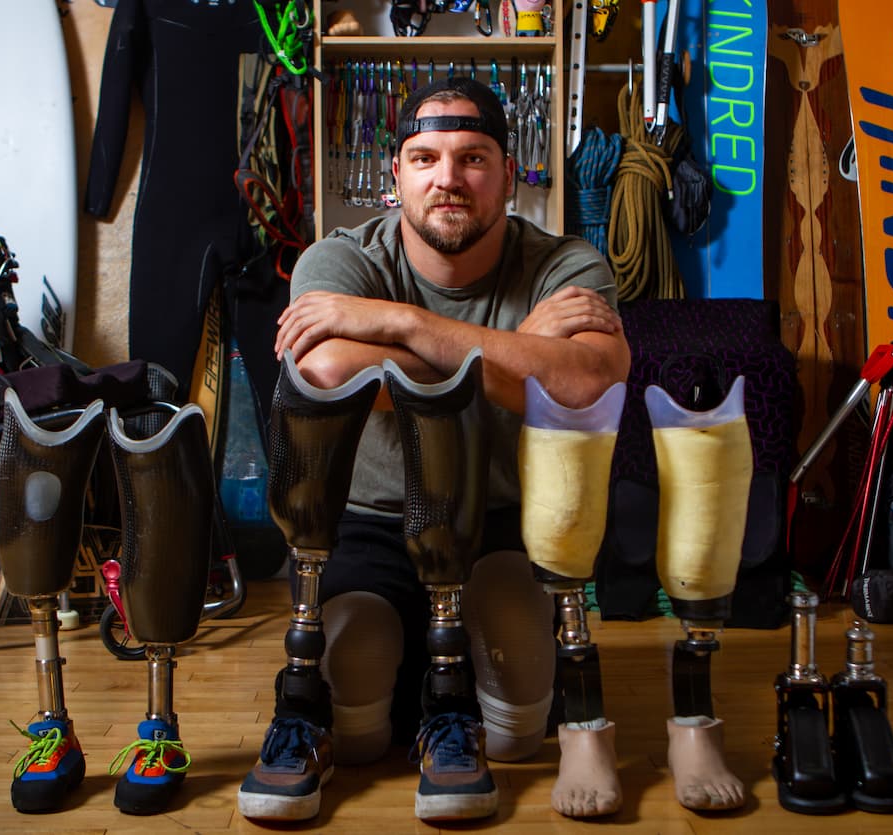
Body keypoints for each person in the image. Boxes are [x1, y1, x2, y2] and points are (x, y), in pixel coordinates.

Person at [236, 75, 631, 822]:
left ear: (509, 174)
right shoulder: (341, 258)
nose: (448, 178)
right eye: (425, 158)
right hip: (368, 522)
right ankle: (414, 679)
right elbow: (322, 369)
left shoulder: (565, 264)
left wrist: (402, 329)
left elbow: (587, 384)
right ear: (397, 175)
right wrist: (515, 357)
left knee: (515, 732)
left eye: (473, 158)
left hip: (504, 522)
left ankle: (450, 683)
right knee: (355, 725)